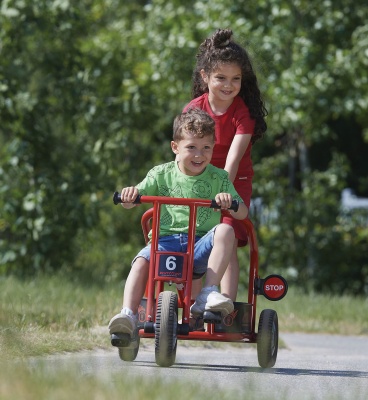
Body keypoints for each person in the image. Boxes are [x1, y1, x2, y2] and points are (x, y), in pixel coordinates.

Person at [108, 108, 248, 341]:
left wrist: (231, 203)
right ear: (175, 147)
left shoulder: (219, 178)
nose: (199, 155)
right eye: (191, 147)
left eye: (206, 148)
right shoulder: (161, 174)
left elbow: (242, 212)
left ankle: (208, 292)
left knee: (226, 229)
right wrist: (129, 195)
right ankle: (128, 315)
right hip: (164, 244)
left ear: (213, 148)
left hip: (201, 246)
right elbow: (132, 201)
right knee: (141, 261)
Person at [183, 28, 268, 301]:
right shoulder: (193, 110)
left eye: (236, 79)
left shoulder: (243, 113)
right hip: (198, 176)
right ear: (205, 77)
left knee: (227, 232)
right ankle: (190, 300)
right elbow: (183, 153)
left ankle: (226, 303)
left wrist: (220, 191)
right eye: (221, 78)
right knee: (186, 234)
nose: (228, 85)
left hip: (233, 182)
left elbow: (233, 159)